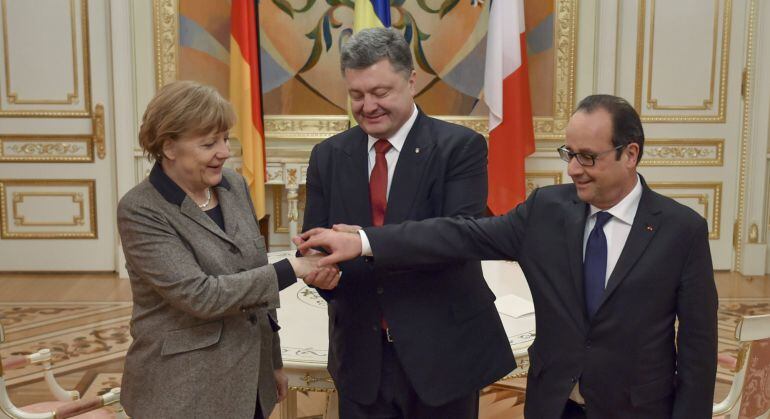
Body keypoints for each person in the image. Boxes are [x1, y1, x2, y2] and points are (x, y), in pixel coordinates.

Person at [298, 94, 719, 419]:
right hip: (554, 404)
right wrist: (367, 241)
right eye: (568, 154)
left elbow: (699, 350)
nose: (573, 170)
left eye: (588, 158)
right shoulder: (547, 211)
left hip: (636, 408)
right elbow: (456, 235)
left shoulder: (680, 230)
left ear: (631, 154)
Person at [297, 27, 515, 419]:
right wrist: (319, 272)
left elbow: (461, 236)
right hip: (361, 358)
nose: (368, 106)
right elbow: (317, 245)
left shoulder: (459, 148)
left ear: (411, 81)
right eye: (357, 95)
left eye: (381, 93)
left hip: (443, 355)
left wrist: (364, 241)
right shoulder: (327, 156)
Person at [117, 80, 336, 418]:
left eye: (223, 138)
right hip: (181, 390)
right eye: (208, 143)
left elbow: (254, 276)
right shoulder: (141, 209)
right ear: (169, 147)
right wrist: (294, 268)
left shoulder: (231, 185)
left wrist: (273, 363)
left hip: (250, 382)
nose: (224, 151)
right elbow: (200, 295)